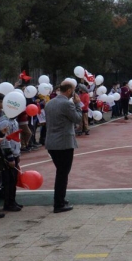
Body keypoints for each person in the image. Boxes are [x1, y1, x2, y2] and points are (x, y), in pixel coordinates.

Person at [45, 82, 82, 213]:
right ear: (69, 91)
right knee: (62, 173)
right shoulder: (67, 104)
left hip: (51, 142)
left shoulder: (49, 103)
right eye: (73, 90)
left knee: (61, 172)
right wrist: (78, 104)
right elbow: (77, 118)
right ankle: (59, 202)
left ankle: (60, 199)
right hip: (64, 142)